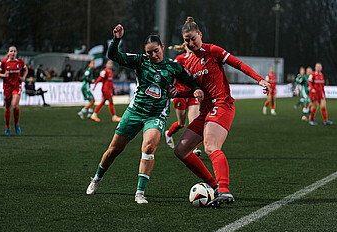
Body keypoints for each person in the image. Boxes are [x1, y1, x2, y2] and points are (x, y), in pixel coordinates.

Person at [86, 24, 203, 204]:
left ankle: (139, 193)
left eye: (156, 51)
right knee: (114, 150)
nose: (153, 55)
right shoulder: (140, 60)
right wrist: (117, 39)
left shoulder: (173, 66)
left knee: (148, 148)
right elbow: (113, 55)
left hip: (156, 115)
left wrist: (193, 90)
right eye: (149, 53)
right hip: (135, 112)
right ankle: (96, 179)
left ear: (162, 47)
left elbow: (191, 82)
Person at [173, 17, 269, 207]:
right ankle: (213, 185)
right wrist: (176, 92)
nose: (190, 43)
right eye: (187, 40)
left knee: (210, 147)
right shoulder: (188, 62)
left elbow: (238, 64)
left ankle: (224, 191)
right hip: (206, 110)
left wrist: (259, 80)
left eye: (193, 38)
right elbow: (192, 89)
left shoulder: (212, 50)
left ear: (200, 35)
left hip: (222, 104)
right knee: (181, 150)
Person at [164, 44, 201, 156]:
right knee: (181, 124)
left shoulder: (198, 59)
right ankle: (169, 134)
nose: (191, 46)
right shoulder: (180, 59)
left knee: (194, 122)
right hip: (180, 93)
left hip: (192, 94)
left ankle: (193, 149)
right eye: (188, 44)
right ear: (185, 46)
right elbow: (172, 72)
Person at [0, 46, 28, 135]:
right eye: (11, 51)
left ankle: (16, 125)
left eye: (14, 51)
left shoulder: (20, 62)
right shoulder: (3, 62)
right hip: (7, 87)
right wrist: (3, 75)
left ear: (16, 53)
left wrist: (24, 77)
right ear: (8, 53)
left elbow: (26, 69)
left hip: (17, 86)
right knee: (7, 108)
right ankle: (7, 127)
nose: (13, 53)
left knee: (15, 106)